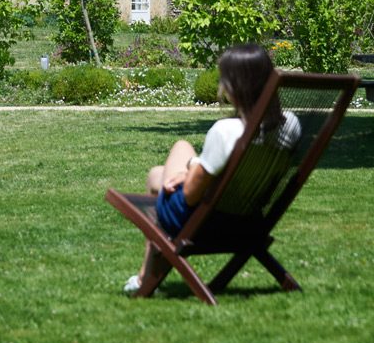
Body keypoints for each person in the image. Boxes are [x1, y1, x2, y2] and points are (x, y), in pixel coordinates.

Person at [124, 42, 300, 295]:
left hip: (204, 223)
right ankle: (145, 276)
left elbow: (191, 196)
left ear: (233, 86)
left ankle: (146, 278)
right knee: (157, 173)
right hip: (248, 221)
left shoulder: (227, 131)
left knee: (167, 165)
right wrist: (195, 167)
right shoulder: (291, 126)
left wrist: (191, 166)